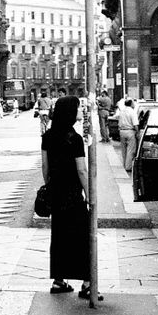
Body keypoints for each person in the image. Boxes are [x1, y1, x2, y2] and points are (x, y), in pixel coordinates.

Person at [41, 95, 99, 301]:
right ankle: (87, 284)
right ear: (70, 112)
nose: (81, 111)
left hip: (56, 194)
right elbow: (82, 170)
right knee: (82, 238)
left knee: (59, 237)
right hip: (73, 195)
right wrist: (90, 196)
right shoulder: (73, 138)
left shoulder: (48, 136)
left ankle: (59, 280)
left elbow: (45, 168)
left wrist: (51, 186)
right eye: (78, 108)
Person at [116, 98, 138, 172]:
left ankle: (124, 164)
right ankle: (128, 167)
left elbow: (119, 122)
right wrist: (137, 132)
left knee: (124, 149)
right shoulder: (132, 112)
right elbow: (135, 124)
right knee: (130, 149)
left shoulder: (122, 111)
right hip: (130, 131)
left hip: (122, 131)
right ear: (131, 104)